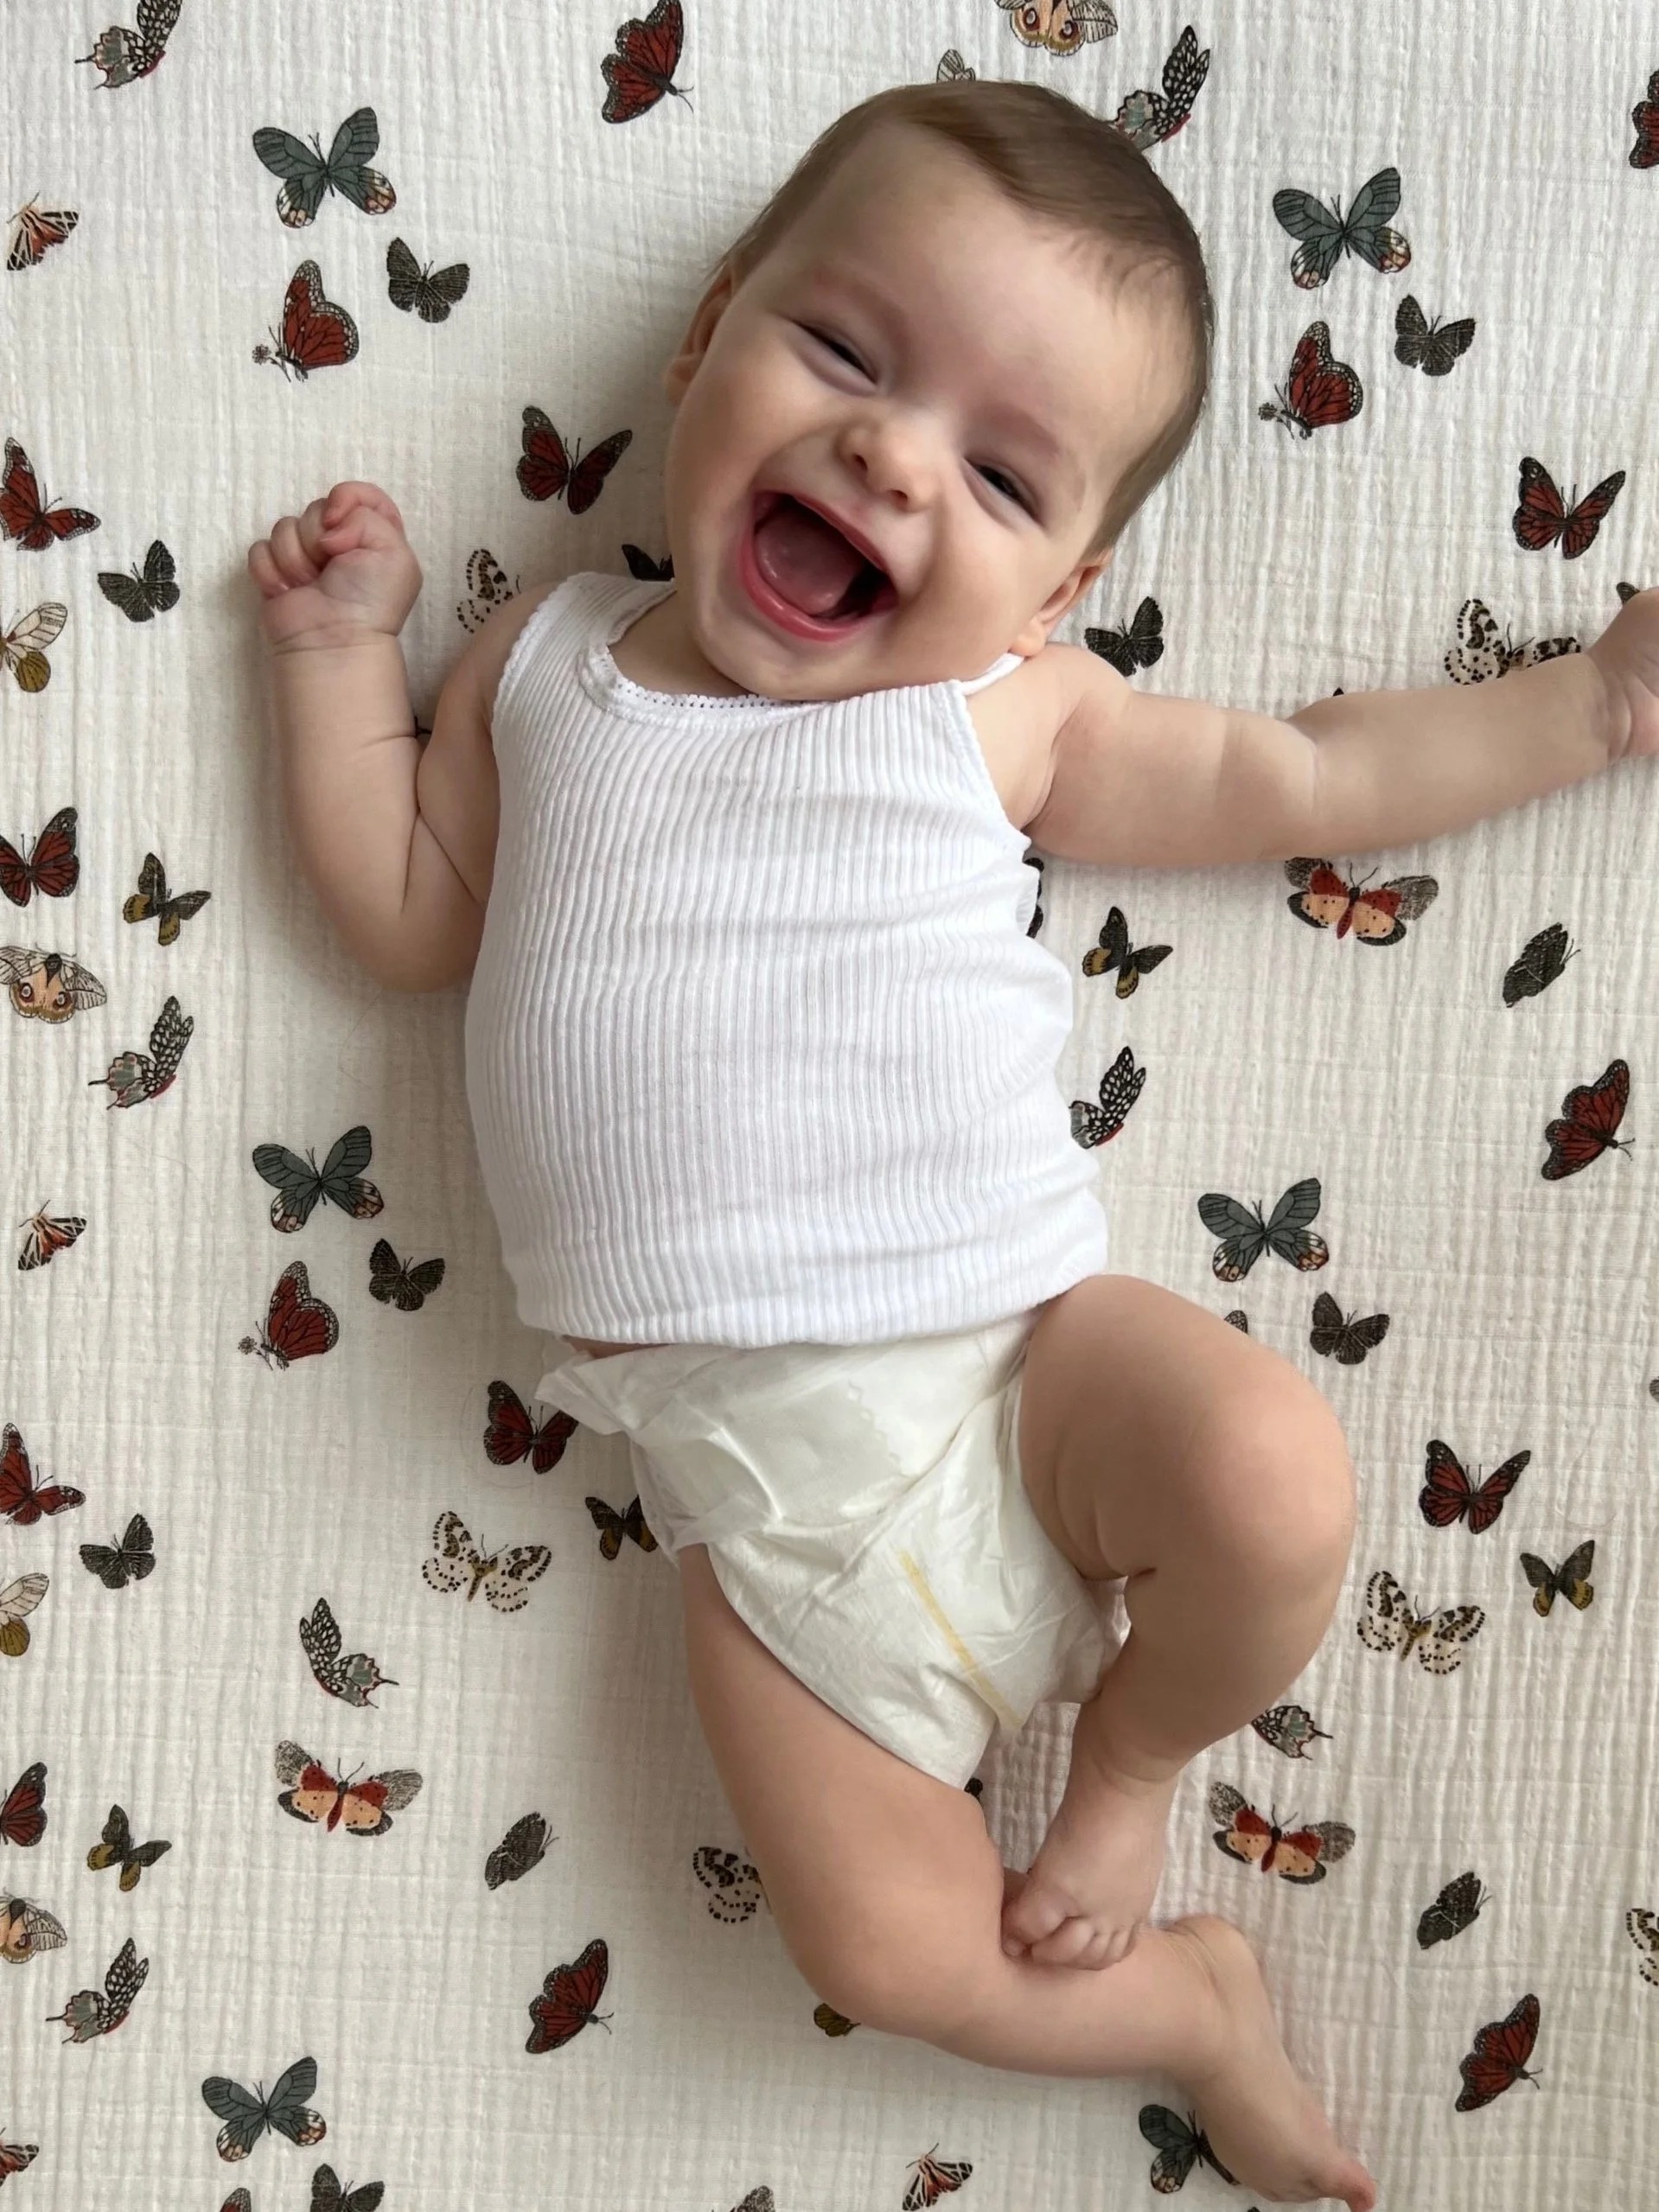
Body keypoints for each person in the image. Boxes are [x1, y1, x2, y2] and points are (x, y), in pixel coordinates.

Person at [248, 74, 1657, 2209]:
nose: (892, 458)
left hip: (1021, 1373)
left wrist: (1587, 707)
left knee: (1269, 1471)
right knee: (881, 1950)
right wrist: (334, 658)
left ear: (1054, 585)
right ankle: (1186, 2007)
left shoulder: (1000, 710)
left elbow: (1300, 777)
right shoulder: (547, 663)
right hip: (754, 1514)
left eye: (998, 473)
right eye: (840, 350)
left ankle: (1133, 1760)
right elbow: (410, 909)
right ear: (706, 334)